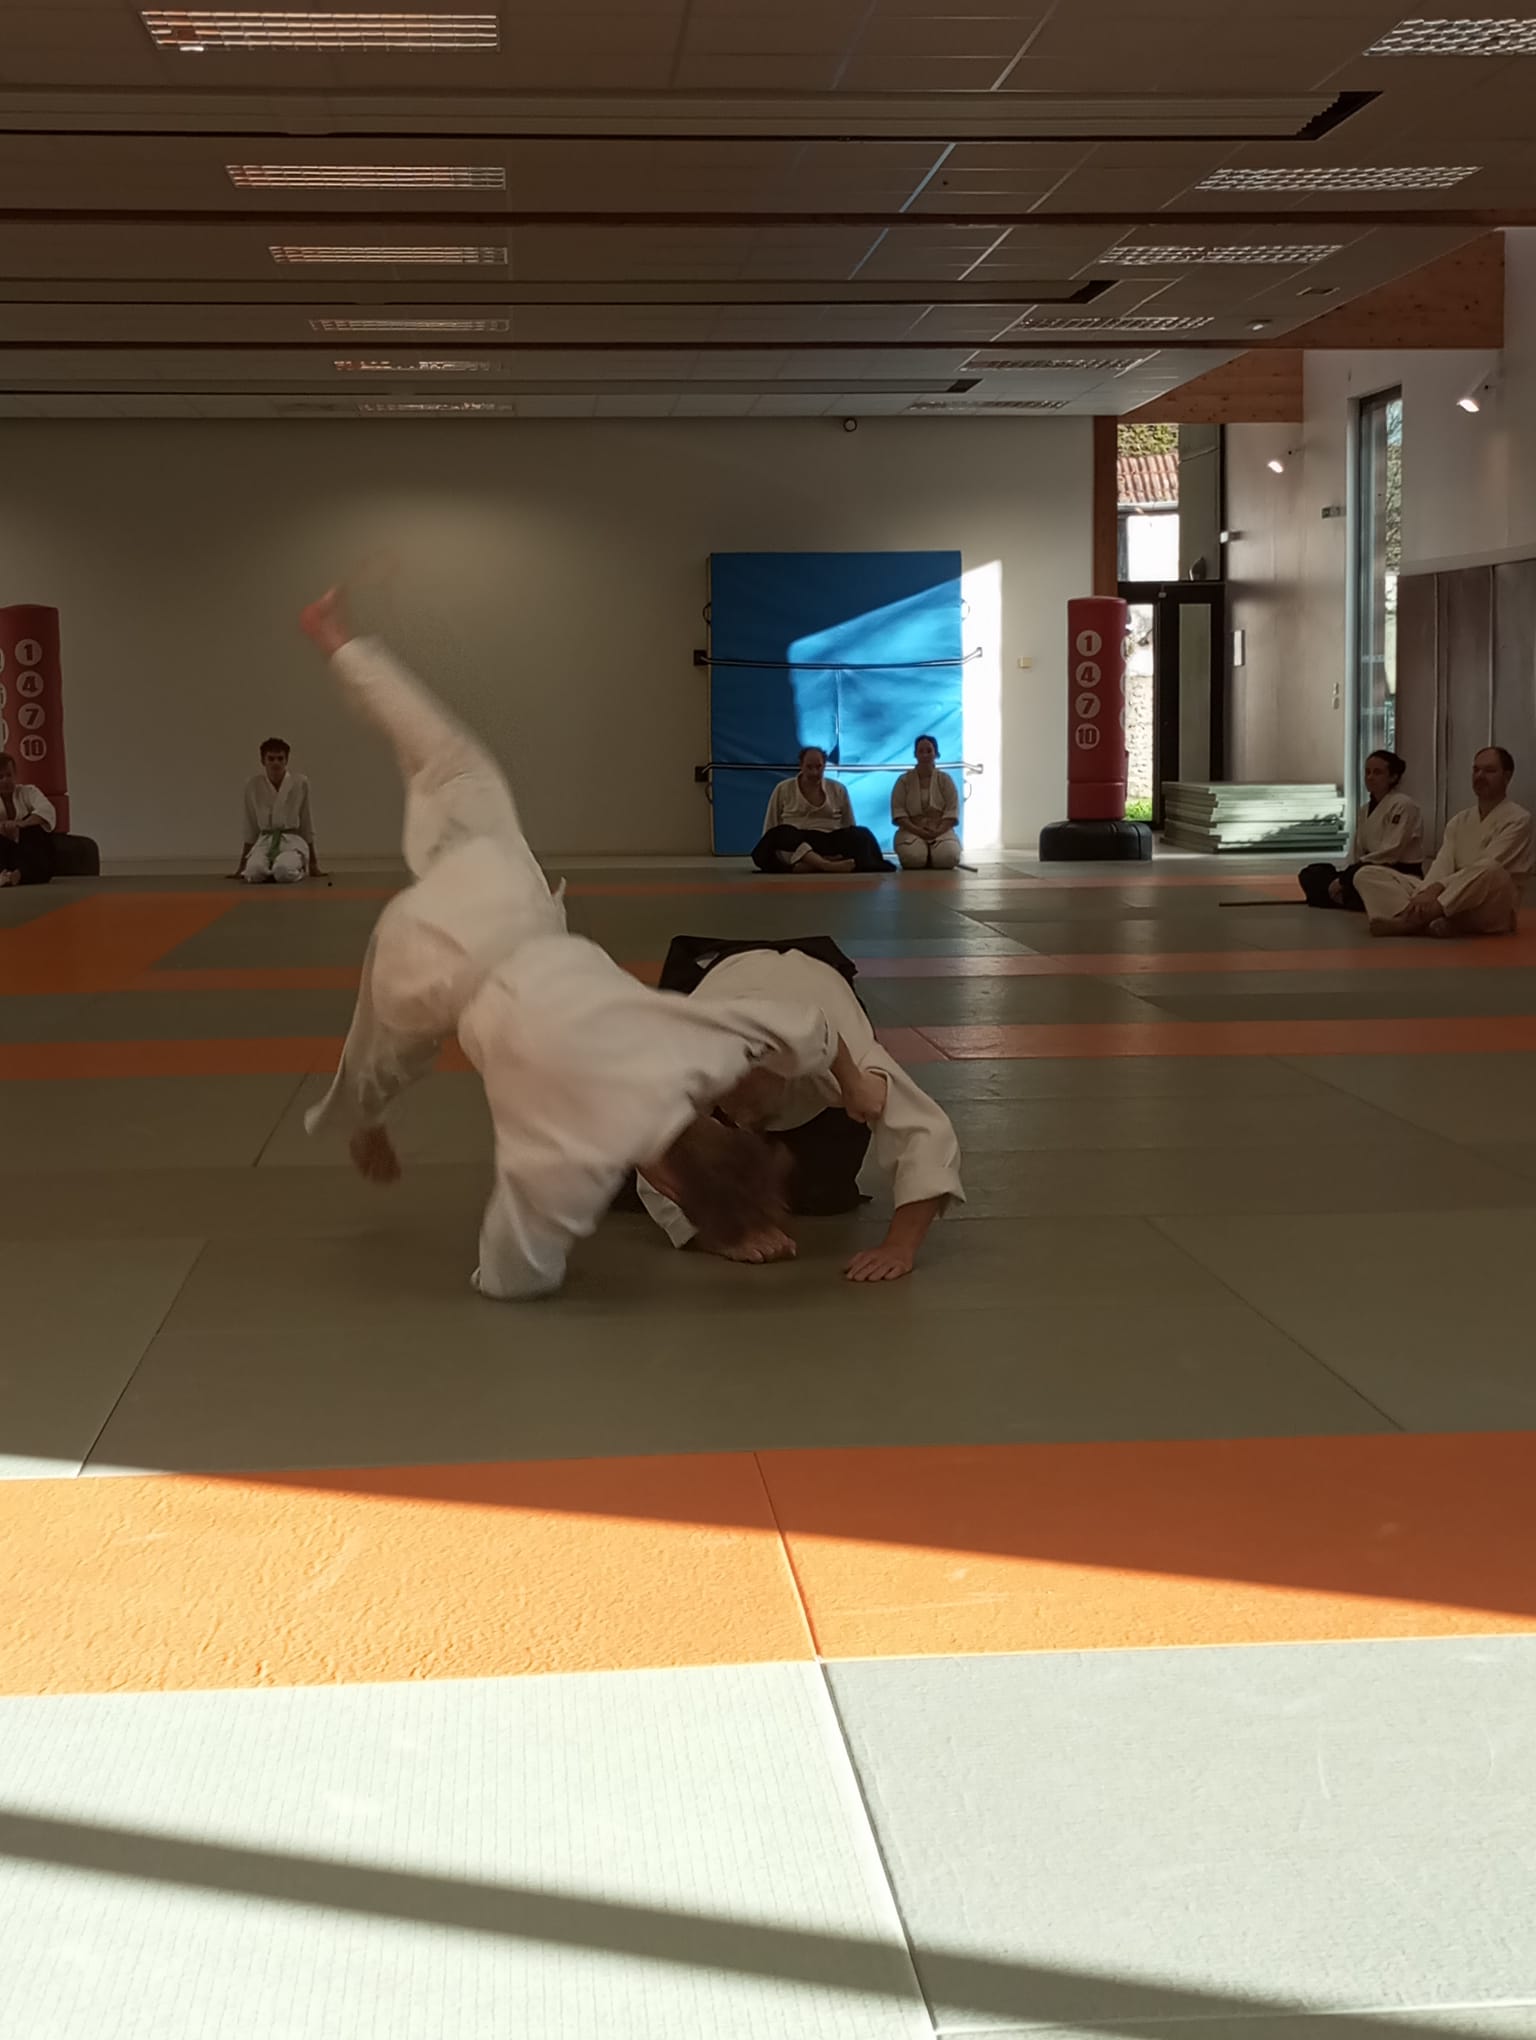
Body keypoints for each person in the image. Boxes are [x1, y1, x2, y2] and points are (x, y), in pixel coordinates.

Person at [299, 586, 881, 1299]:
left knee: (454, 764)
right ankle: (364, 1114)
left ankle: (338, 641)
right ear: (667, 1187)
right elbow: (512, 1271)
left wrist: (854, 1079)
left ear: (730, 1129)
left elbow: (806, 1027)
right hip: (434, 958)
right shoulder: (568, 1155)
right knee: (387, 1050)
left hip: (505, 898)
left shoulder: (694, 1050)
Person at [636, 936, 964, 1283]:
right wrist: (714, 1232)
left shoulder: (853, 1066)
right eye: (729, 1098)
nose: (742, 1116)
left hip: (818, 986)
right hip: (727, 980)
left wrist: (899, 1247)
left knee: (821, 1196)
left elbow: (926, 1133)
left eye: (749, 1099)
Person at [1356, 747, 1533, 938]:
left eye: (1489, 770)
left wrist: (1437, 888)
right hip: (1447, 896)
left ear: (1507, 776)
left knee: (1490, 869)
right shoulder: (1460, 820)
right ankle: (1427, 919)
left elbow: (1487, 866)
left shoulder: (1518, 819)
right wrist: (1426, 891)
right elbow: (1443, 862)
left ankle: (1413, 920)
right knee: (1367, 873)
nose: (1480, 776)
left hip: (1491, 905)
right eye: (1476, 770)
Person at [1298, 749, 1424, 911]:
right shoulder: (1364, 810)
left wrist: (1350, 875)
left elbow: (1391, 852)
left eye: (1377, 772)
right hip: (1365, 868)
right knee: (1312, 873)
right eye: (1367, 772)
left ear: (1393, 777)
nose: (1370, 777)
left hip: (1396, 872)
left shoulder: (1404, 805)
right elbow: (1358, 851)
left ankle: (1346, 898)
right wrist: (1347, 874)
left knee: (1361, 878)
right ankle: (1348, 898)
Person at [752, 747, 893, 874]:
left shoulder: (838, 789)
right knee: (780, 834)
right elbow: (771, 824)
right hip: (794, 840)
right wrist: (771, 843)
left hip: (828, 840)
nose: (814, 772)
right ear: (801, 765)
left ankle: (809, 865)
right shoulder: (783, 788)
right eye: (809, 767)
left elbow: (848, 824)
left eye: (819, 767)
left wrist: (852, 840)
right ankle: (825, 864)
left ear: (825, 765)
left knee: (862, 834)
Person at [236, 737, 321, 884]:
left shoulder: (300, 782)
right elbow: (251, 826)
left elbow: (306, 822)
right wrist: (242, 866)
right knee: (253, 873)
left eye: (280, 758)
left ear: (286, 760)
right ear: (263, 761)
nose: (276, 763)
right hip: (265, 842)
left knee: (283, 871)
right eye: (271, 758)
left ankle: (290, 869)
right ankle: (269, 870)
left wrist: (313, 863)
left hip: (291, 842)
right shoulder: (253, 785)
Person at [891, 734, 962, 871]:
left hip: (940, 830)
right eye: (921, 751)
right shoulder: (903, 781)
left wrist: (938, 831)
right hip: (911, 831)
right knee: (914, 860)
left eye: (929, 751)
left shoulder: (945, 780)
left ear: (936, 754)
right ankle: (924, 854)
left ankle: (934, 855)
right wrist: (918, 831)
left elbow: (951, 812)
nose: (925, 755)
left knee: (948, 858)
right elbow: (899, 813)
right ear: (915, 754)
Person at [0, 751, 55, 888]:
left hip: (27, 851)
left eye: (9, 775)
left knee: (33, 829)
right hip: (5, 852)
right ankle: (5, 875)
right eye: (0, 777)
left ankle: (17, 875)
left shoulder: (28, 791)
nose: (5, 780)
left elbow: (47, 810)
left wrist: (22, 824)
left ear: (15, 775)